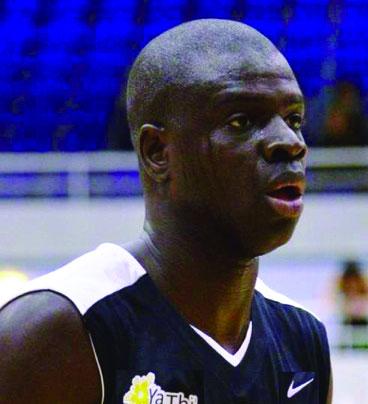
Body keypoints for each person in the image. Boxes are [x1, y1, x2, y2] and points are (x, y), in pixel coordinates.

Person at [0, 19, 332, 404]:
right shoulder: (56, 332)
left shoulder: (302, 341)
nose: (290, 143)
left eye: (294, 120)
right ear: (157, 151)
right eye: (241, 122)